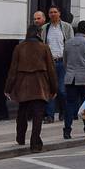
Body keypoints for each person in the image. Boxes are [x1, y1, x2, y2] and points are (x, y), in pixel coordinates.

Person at [5, 24, 58, 152]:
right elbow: (51, 69)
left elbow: (12, 70)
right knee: (37, 116)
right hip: (40, 85)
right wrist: (54, 88)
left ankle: (20, 137)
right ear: (39, 34)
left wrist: (8, 88)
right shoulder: (44, 48)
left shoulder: (19, 48)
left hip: (23, 85)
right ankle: (35, 143)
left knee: (22, 113)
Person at [63, 21, 85, 140]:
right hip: (84, 78)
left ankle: (67, 130)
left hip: (70, 78)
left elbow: (65, 62)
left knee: (70, 104)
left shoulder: (68, 43)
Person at [42, 7, 72, 124]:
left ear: (59, 13)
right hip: (49, 62)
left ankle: (64, 112)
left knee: (62, 89)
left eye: (55, 12)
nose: (53, 14)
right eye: (51, 12)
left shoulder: (66, 27)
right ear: (48, 15)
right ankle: (50, 115)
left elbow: (70, 44)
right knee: (50, 89)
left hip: (62, 61)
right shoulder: (45, 28)